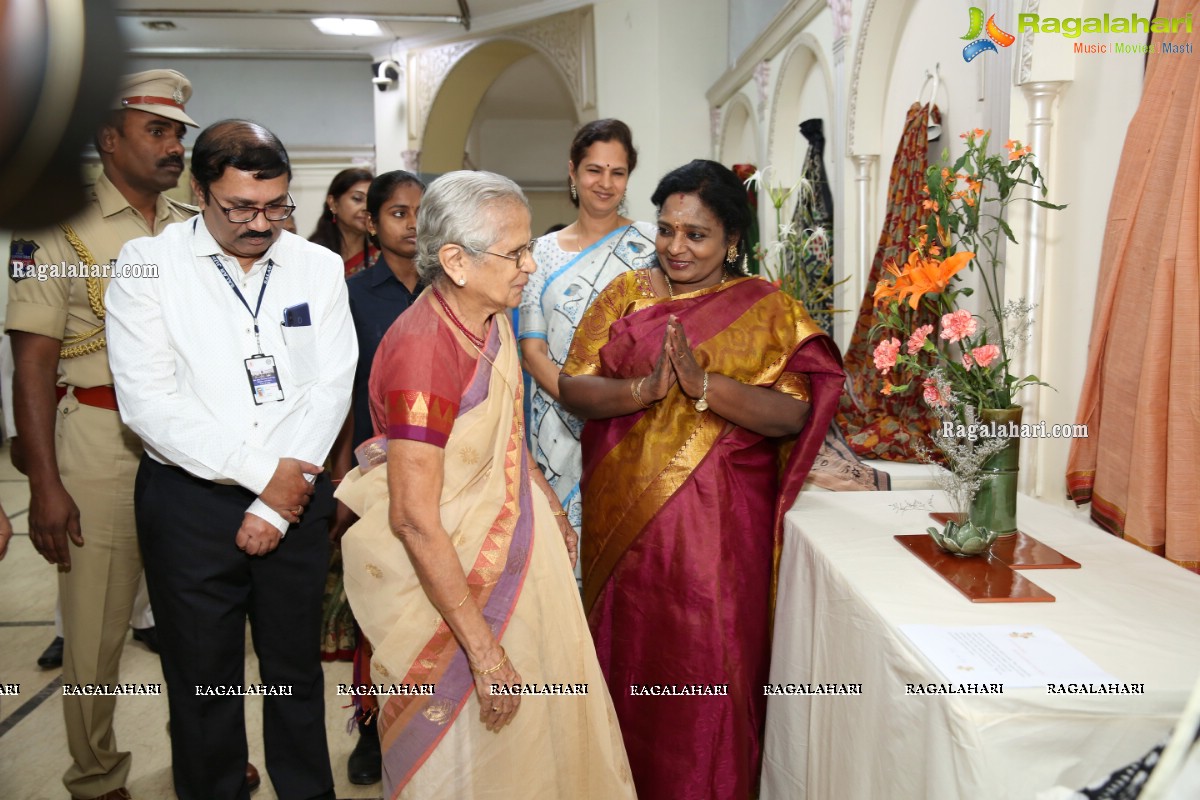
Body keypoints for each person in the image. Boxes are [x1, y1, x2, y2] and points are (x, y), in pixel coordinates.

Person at [337, 170, 635, 799]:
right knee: (460, 758)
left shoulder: (491, 316)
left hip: (514, 558)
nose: (531, 263)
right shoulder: (425, 351)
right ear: (455, 260)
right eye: (516, 252)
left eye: (529, 247)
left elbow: (507, 437)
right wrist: (484, 653)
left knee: (532, 755)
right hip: (445, 586)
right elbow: (416, 519)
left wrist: (548, 503)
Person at [559, 159, 845, 800]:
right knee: (631, 657)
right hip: (627, 530)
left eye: (696, 235)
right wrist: (643, 389)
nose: (676, 247)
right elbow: (575, 385)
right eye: (666, 230)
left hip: (720, 528)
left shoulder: (768, 308)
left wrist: (703, 386)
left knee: (714, 663)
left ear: (732, 241)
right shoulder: (626, 294)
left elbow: (794, 411)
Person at [105, 119, 356, 800]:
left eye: (277, 206)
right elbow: (149, 405)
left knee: (295, 673)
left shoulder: (318, 267)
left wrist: (280, 498)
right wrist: (262, 481)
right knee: (204, 682)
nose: (261, 223)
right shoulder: (146, 264)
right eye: (241, 208)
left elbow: (331, 384)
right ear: (199, 189)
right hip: (190, 505)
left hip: (295, 496)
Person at [4, 69, 224, 800]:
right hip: (99, 441)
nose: (173, 147)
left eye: (178, 134)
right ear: (108, 138)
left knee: (196, 629)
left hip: (191, 450)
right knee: (95, 635)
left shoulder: (194, 222)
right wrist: (44, 485)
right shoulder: (55, 228)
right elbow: (31, 365)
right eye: (156, 131)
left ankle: (204, 758)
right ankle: (96, 776)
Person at [325, 169, 425, 786]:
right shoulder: (354, 295)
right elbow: (337, 395)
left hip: (443, 469)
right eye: (397, 213)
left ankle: (428, 718)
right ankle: (371, 728)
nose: (412, 224)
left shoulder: (453, 289)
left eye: (420, 212)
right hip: (375, 470)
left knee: (431, 601)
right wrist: (342, 480)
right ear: (370, 221)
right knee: (377, 602)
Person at [518, 119, 656, 560]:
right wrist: (575, 399)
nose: (605, 183)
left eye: (617, 172)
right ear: (573, 171)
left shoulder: (652, 245)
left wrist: (607, 402)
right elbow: (532, 348)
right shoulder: (539, 253)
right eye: (594, 170)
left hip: (629, 416)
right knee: (558, 556)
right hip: (555, 420)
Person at [308, 167, 377, 277]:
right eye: (357, 199)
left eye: (371, 201)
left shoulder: (381, 259)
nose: (366, 207)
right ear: (333, 203)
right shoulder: (312, 256)